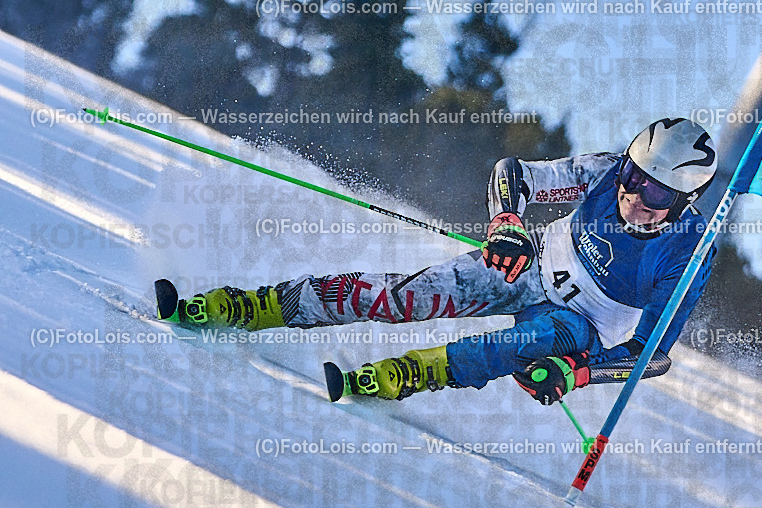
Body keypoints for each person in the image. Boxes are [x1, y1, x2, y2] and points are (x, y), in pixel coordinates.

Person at [167, 117, 719, 403]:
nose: (635, 198)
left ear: (685, 202)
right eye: (633, 177)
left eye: (657, 196)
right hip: (530, 265)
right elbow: (516, 174)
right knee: (402, 294)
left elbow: (650, 357)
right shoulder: (603, 171)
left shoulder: (687, 253)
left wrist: (578, 374)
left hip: (586, 324)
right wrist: (507, 224)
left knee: (516, 345)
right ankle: (245, 307)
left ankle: (403, 376)